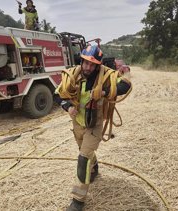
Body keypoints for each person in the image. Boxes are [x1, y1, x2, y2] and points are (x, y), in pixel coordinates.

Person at [54, 45, 132, 211]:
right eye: (85, 63)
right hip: (78, 124)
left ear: (97, 65)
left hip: (94, 125)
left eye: (92, 64)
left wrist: (104, 92)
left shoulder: (106, 76)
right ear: (82, 61)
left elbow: (125, 85)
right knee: (85, 152)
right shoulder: (73, 74)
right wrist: (67, 106)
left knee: (83, 159)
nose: (88, 67)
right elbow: (57, 94)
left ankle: (78, 200)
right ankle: (94, 167)